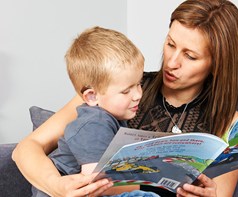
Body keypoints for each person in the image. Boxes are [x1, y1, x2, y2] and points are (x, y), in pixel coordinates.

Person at [13, 0, 238, 196]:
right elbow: (26, 148)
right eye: (170, 44)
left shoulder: (231, 123)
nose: (172, 63)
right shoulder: (115, 88)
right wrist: (57, 186)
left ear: (217, 64)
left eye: (190, 56)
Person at [30, 26, 158, 197]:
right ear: (91, 97)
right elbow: (96, 184)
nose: (138, 95)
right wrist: (153, 183)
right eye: (126, 91)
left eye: (139, 83)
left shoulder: (112, 115)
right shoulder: (94, 123)